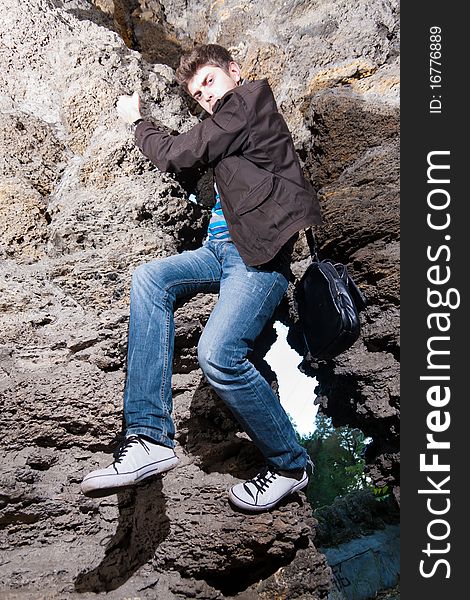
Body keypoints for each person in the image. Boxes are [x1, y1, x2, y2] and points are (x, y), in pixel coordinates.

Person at [81, 44, 322, 512]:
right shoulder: (230, 136)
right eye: (197, 94)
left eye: (209, 82)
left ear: (234, 71)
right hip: (217, 252)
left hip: (257, 262)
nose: (206, 97)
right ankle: (149, 437)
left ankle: (291, 464)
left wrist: (137, 121)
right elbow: (192, 161)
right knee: (151, 278)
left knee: (219, 353)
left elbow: (177, 153)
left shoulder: (251, 102)